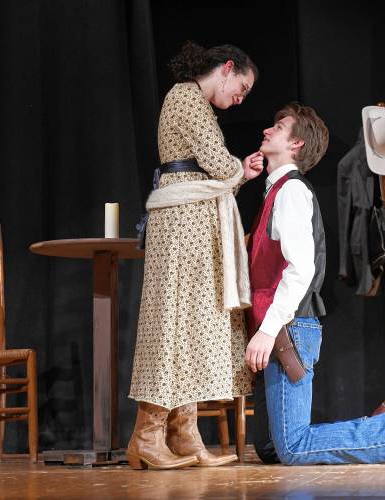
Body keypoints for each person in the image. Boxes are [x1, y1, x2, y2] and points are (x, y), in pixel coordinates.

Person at [244, 102, 385, 465]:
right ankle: (383, 421)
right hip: (281, 324)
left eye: (279, 127)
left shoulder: (291, 192)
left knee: (293, 448)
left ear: (296, 143)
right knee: (271, 447)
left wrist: (268, 330)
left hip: (289, 327)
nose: (268, 130)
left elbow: (301, 269)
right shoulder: (276, 190)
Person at [126, 41, 265, 470]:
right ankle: (145, 438)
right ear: (226, 68)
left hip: (193, 219)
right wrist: (240, 169)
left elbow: (219, 169)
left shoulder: (198, 104)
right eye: (240, 86)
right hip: (181, 220)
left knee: (188, 324)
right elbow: (219, 165)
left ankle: (184, 435)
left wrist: (238, 171)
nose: (241, 98)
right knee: (170, 322)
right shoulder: (186, 96)